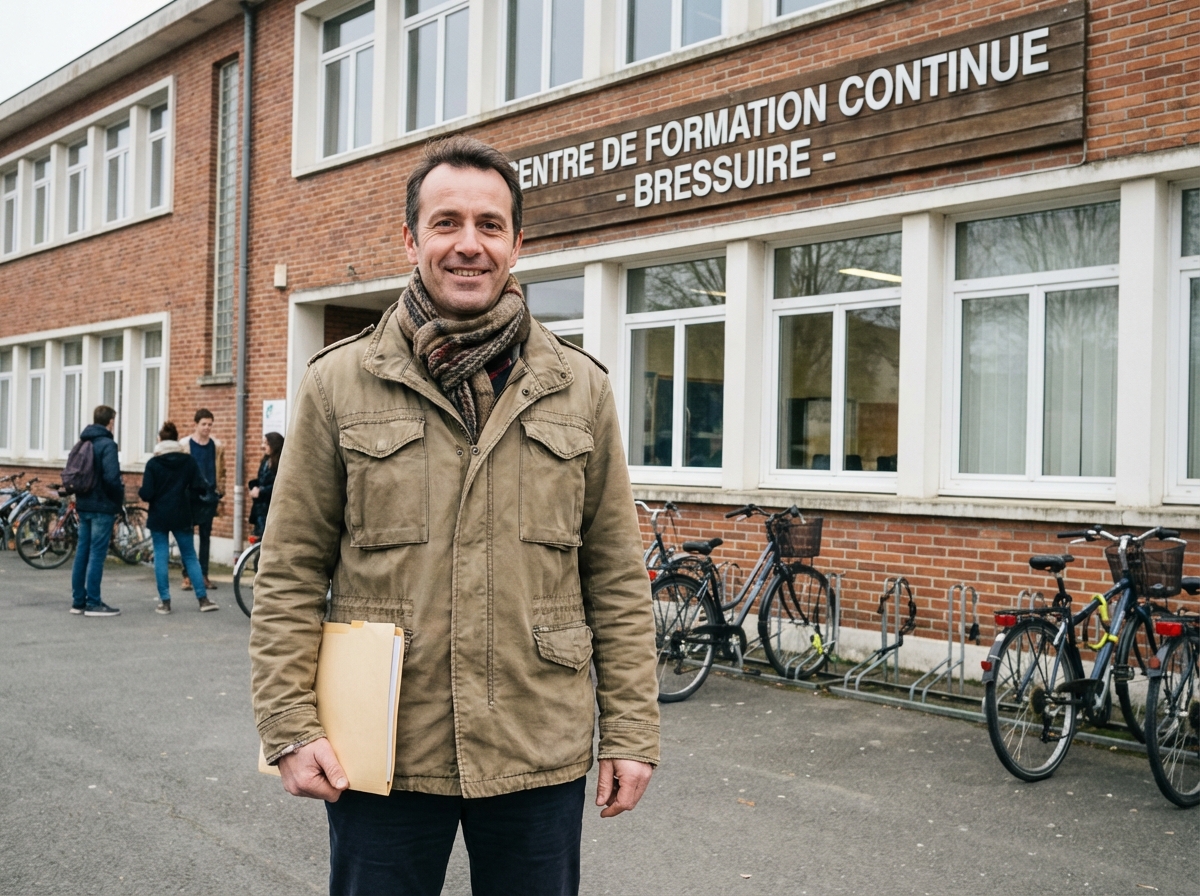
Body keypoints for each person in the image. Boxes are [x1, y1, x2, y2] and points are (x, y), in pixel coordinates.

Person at [250, 136, 660, 896]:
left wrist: (632, 732)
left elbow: (616, 578)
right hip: (385, 749)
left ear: (516, 243)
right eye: (445, 223)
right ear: (410, 239)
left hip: (537, 743)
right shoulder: (339, 383)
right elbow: (290, 571)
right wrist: (289, 724)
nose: (468, 244)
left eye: (489, 225)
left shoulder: (580, 387)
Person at [138, 422, 217, 614]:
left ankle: (165, 602)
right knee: (190, 556)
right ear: (175, 439)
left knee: (161, 557)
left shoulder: (153, 464)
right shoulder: (187, 461)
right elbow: (200, 485)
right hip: (182, 513)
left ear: (160, 440)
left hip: (159, 516)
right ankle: (203, 599)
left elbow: (146, 493)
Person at [70, 405, 124, 617]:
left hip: (84, 504)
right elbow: (111, 478)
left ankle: (78, 601)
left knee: (82, 552)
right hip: (102, 506)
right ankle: (93, 602)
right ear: (110, 421)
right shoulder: (108, 444)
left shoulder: (83, 441)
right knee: (97, 554)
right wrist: (117, 499)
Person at [180, 408, 225, 591]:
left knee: (206, 537)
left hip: (209, 495)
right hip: (190, 495)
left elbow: (222, 470)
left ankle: (204, 575)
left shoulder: (216, 445)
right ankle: (188, 575)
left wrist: (220, 491)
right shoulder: (185, 445)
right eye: (204, 424)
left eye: (210, 424)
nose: (207, 428)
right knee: (187, 535)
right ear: (195, 425)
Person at [247, 432, 284, 539]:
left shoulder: (280, 463)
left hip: (271, 507)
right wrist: (254, 487)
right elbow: (261, 480)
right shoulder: (265, 461)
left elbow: (279, 484)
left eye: (266, 443)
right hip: (260, 509)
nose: (263, 446)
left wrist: (261, 491)